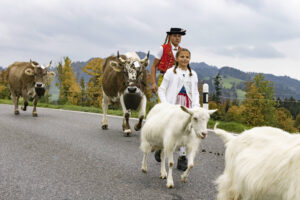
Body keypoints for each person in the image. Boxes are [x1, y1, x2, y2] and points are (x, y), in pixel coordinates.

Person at [158, 48, 200, 171]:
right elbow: (162, 89)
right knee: (170, 128)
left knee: (186, 129)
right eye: (182, 56)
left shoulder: (193, 74)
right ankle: (162, 147)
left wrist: (196, 106)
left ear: (190, 59)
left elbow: (195, 92)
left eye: (187, 57)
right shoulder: (170, 72)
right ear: (177, 58)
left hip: (187, 105)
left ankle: (182, 157)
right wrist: (165, 104)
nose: (184, 59)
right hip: (174, 104)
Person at [150, 27, 187, 169]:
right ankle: (159, 144)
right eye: (175, 36)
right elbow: (153, 66)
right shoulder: (162, 48)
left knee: (180, 114)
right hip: (164, 79)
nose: (177, 38)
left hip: (178, 82)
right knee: (164, 112)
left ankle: (182, 155)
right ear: (170, 36)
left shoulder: (183, 51)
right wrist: (154, 82)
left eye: (179, 36)